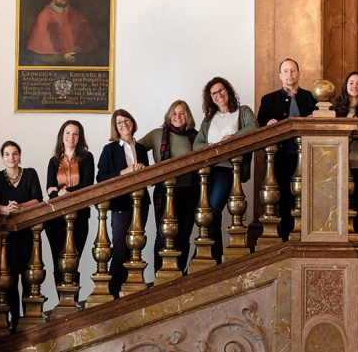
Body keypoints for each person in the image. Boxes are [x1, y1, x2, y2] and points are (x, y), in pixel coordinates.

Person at [194, 77, 259, 263]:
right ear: (210, 98)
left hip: (227, 170)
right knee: (207, 214)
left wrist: (232, 138)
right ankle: (215, 257)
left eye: (221, 90)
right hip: (207, 173)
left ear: (228, 91)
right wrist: (213, 147)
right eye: (214, 93)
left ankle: (210, 257)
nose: (218, 95)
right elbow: (197, 144)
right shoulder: (209, 119)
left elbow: (253, 127)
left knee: (211, 213)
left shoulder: (242, 111)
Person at [257, 58, 317, 240]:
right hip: (281, 157)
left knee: (308, 196)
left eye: (293, 71)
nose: (289, 74)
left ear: (298, 74)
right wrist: (268, 124)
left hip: (307, 156)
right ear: (280, 76)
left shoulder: (311, 97)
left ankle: (307, 235)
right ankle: (285, 237)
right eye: (286, 71)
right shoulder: (268, 100)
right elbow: (260, 126)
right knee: (283, 196)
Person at [138, 100, 199, 273]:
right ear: (169, 116)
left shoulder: (196, 136)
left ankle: (178, 274)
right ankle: (160, 274)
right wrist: (142, 167)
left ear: (187, 116)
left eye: (182, 113)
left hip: (189, 191)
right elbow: (135, 149)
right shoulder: (158, 135)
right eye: (174, 113)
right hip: (164, 192)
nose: (178, 117)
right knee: (162, 235)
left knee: (184, 235)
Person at [96, 109, 150, 298]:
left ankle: (129, 289)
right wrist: (123, 172)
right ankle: (113, 294)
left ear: (132, 123)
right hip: (121, 204)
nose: (124, 125)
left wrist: (144, 169)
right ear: (115, 128)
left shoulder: (142, 148)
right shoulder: (109, 149)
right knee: (120, 247)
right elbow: (100, 178)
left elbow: (149, 176)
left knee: (136, 246)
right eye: (119, 123)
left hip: (141, 203)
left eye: (126, 121)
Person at [0, 141, 42, 332]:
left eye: (15, 154)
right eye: (7, 154)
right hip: (7, 236)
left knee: (29, 276)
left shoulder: (30, 174)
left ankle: (29, 319)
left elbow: (38, 199)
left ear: (20, 155)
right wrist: (6, 208)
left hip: (28, 232)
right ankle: (14, 320)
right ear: (2, 157)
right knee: (9, 279)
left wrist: (20, 207)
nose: (11, 158)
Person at [45, 120, 94, 291]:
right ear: (62, 135)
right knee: (57, 261)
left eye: (75, 134)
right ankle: (61, 303)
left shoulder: (87, 158)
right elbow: (49, 188)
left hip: (79, 216)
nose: (71, 137)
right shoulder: (54, 161)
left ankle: (72, 304)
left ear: (80, 137)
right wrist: (56, 192)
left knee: (73, 260)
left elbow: (87, 184)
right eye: (67, 133)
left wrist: (64, 191)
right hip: (55, 218)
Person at [333, 71, 358, 240]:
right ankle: (342, 235)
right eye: (351, 83)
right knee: (341, 200)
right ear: (346, 86)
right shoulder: (336, 109)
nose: (354, 86)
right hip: (341, 161)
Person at [26, 0, 98, 66]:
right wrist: (62, 57)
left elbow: (88, 42)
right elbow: (38, 55)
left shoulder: (76, 15)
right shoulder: (45, 16)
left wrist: (78, 49)